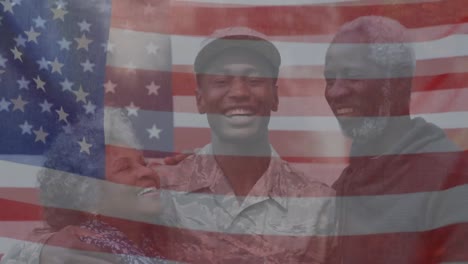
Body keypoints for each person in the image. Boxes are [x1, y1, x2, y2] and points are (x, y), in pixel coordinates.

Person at [1, 27, 336, 263]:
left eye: (255, 80)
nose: (239, 92)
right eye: (220, 81)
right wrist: (45, 251)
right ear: (200, 99)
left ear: (275, 96)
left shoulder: (320, 203)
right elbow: (55, 231)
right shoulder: (160, 186)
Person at [324, 16, 466, 263]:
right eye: (329, 80)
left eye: (353, 76)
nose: (335, 91)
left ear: (398, 81)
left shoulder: (449, 176)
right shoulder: (343, 187)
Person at [1, 108, 167, 264]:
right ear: (90, 198)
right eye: (124, 168)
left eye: (143, 162)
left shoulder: (154, 240)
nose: (146, 171)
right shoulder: (84, 253)